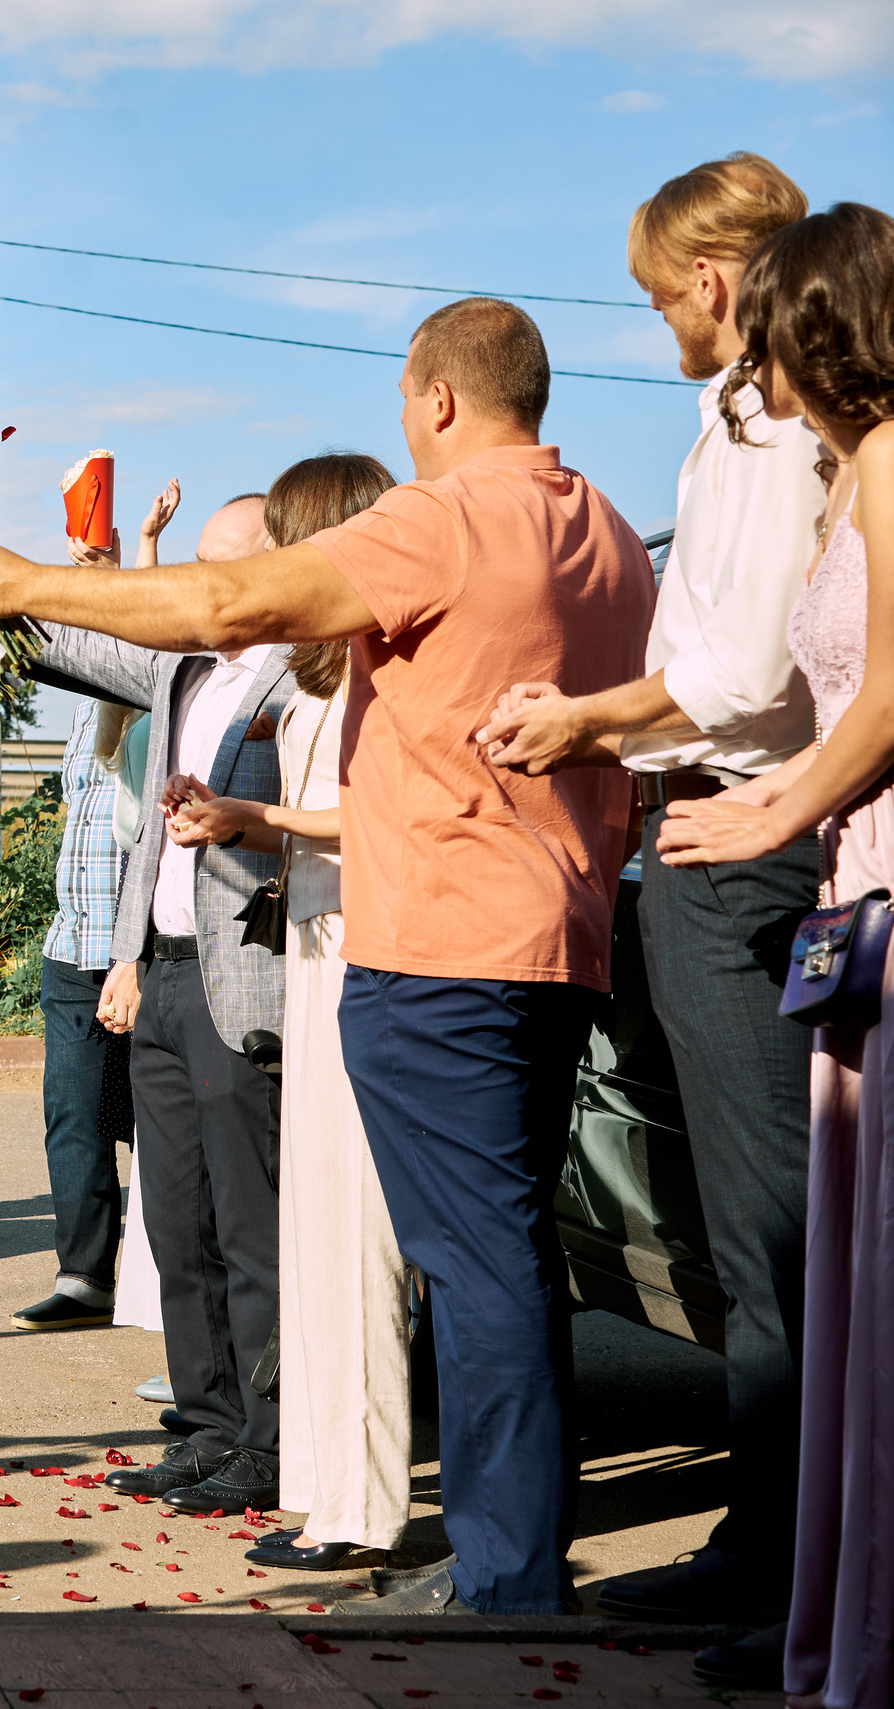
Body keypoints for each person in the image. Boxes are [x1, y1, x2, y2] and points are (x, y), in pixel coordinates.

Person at [0, 297, 657, 1616]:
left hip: (441, 942)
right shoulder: (599, 526)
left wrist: (23, 581)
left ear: (433, 399)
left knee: (476, 1273)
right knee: (512, 1260)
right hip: (560, 928)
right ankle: (515, 1547)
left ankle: (507, 1573)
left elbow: (226, 601)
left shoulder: (443, 518)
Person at [471, 153, 825, 1633]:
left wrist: (588, 720)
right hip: (730, 834)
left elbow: (746, 673)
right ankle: (786, 1540)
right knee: (761, 1225)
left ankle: (782, 1558)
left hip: (739, 845)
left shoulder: (769, 433)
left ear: (714, 282)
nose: (656, 327)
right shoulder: (745, 429)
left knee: (768, 1231)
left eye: (657, 296)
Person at [653, 201, 894, 1709]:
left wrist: (770, 813)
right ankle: (843, 1601)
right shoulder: (851, 471)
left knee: (837, 1262)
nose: (758, 358)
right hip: (849, 877)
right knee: (846, 1259)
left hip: (867, 861)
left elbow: (886, 697)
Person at [0, 491, 296, 1517]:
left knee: (249, 1222)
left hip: (240, 973)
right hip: (158, 970)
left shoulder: (304, 676)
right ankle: (205, 1425)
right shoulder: (184, 665)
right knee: (175, 1218)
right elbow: (75, 641)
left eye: (219, 566)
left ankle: (272, 1434)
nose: (193, 587)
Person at [163, 453, 407, 1572]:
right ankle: (318, 1477)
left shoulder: (378, 663)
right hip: (307, 938)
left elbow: (372, 813)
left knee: (347, 1238)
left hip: (361, 942)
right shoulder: (329, 664)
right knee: (311, 1233)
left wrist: (254, 809)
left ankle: (357, 1499)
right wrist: (245, 819)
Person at [16, 476, 176, 1333]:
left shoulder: (155, 694)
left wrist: (130, 561)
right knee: (72, 1117)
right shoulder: (84, 712)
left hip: (135, 945)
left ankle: (169, 1292)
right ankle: (84, 1275)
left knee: (152, 1122)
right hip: (71, 938)